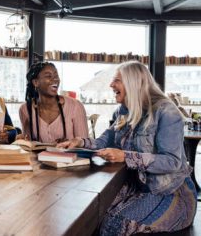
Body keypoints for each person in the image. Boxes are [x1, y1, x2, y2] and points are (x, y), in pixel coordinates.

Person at [58, 61, 197, 235]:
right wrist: (80, 142)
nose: (111, 85)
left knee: (114, 223)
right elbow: (103, 141)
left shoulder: (166, 112)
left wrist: (126, 156)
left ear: (133, 83)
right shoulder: (122, 112)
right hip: (137, 188)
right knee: (92, 214)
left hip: (170, 192)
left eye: (116, 80)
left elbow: (172, 162)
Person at [19, 61, 88, 143]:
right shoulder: (25, 109)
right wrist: (21, 140)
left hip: (71, 156)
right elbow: (28, 144)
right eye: (48, 76)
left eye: (56, 76)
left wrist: (68, 145)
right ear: (36, 82)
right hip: (39, 156)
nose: (55, 79)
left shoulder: (75, 106)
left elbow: (85, 145)